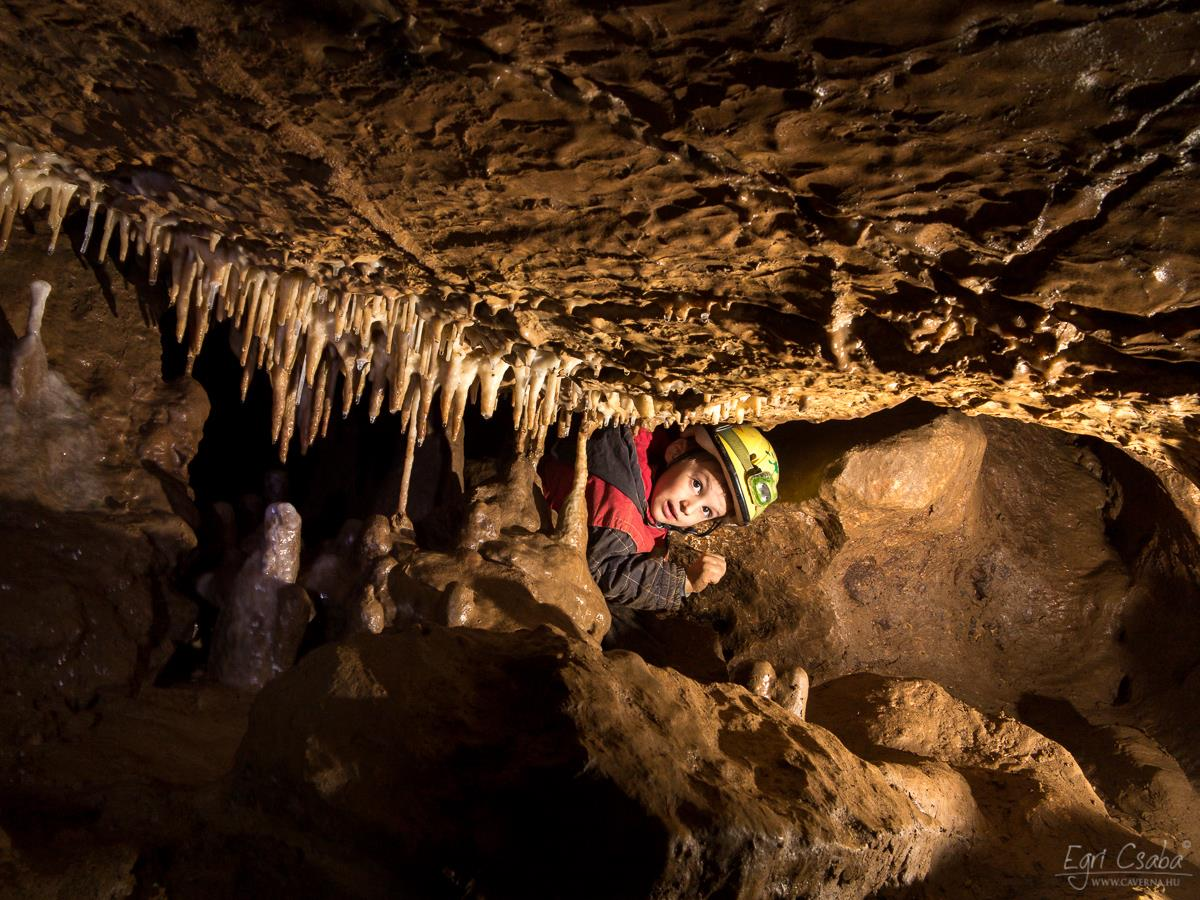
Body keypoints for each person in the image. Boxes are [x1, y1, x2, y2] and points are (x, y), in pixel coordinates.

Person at [540, 422, 780, 612]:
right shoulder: (621, 520)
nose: (689, 507)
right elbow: (600, 572)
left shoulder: (646, 450)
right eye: (697, 485)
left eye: (706, 511)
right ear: (676, 451)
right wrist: (683, 583)